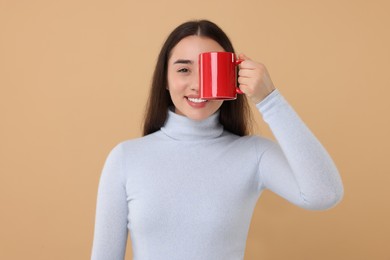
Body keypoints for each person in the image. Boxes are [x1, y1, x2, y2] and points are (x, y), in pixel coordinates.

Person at [91, 20, 344, 260]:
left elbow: (325, 194)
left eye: (212, 71)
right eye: (183, 69)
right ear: (165, 81)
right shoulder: (126, 158)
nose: (198, 84)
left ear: (233, 77)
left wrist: (270, 100)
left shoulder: (254, 154)